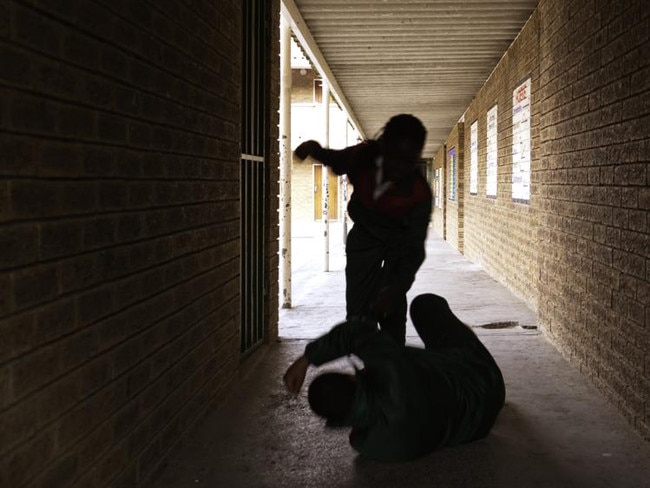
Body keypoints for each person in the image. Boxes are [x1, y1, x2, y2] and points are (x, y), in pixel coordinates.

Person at [283, 293, 506, 462]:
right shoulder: (391, 370)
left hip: (477, 429)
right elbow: (356, 333)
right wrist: (304, 360)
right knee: (425, 304)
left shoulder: (367, 445)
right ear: (352, 380)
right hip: (482, 380)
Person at [294, 114, 432, 345]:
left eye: (408, 161)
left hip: (397, 244)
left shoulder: (418, 193)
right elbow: (335, 160)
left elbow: (415, 249)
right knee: (358, 314)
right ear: (383, 146)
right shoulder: (363, 156)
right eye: (395, 158)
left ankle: (392, 361)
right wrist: (313, 148)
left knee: (392, 313)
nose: (399, 168)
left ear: (416, 158)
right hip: (364, 239)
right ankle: (362, 360)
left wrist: (397, 288)